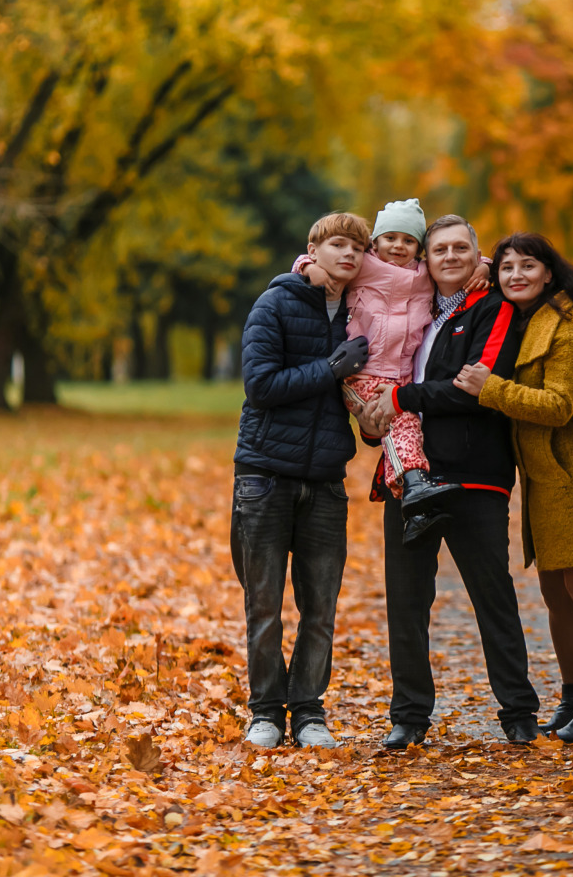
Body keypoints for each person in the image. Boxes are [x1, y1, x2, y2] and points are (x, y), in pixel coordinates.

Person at [359, 215, 542, 748]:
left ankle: (518, 711)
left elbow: (476, 388)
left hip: (474, 475)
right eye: (440, 249)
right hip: (409, 476)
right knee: (406, 601)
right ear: (426, 258)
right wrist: (376, 417)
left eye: (462, 248)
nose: (450, 257)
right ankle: (409, 715)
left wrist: (400, 398)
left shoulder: (493, 306)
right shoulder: (416, 310)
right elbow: (385, 381)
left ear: (476, 254)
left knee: (493, 596)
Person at [452, 232, 573, 744]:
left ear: (549, 272)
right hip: (545, 473)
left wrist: (490, 389)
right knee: (555, 592)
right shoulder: (527, 319)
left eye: (528, 265)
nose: (516, 275)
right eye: (506, 268)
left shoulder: (570, 327)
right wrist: (481, 268)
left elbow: (559, 406)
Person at [230, 212, 373, 750]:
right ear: (312, 251)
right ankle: (266, 712)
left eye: (358, 247)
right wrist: (332, 367)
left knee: (321, 608)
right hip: (265, 476)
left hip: (326, 481)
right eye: (338, 244)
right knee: (264, 606)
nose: (349, 254)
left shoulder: (361, 313)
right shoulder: (275, 303)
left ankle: (309, 711)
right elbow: (261, 385)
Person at [295, 198, 473, 525]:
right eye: (390, 238)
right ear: (375, 242)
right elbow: (318, 256)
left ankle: (413, 508)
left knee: (406, 428)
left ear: (419, 247)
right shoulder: (364, 264)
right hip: (362, 373)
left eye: (408, 240)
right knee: (403, 421)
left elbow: (465, 259)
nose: (398, 246)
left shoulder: (425, 275)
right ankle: (416, 484)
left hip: (401, 376)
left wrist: (484, 267)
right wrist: (308, 268)